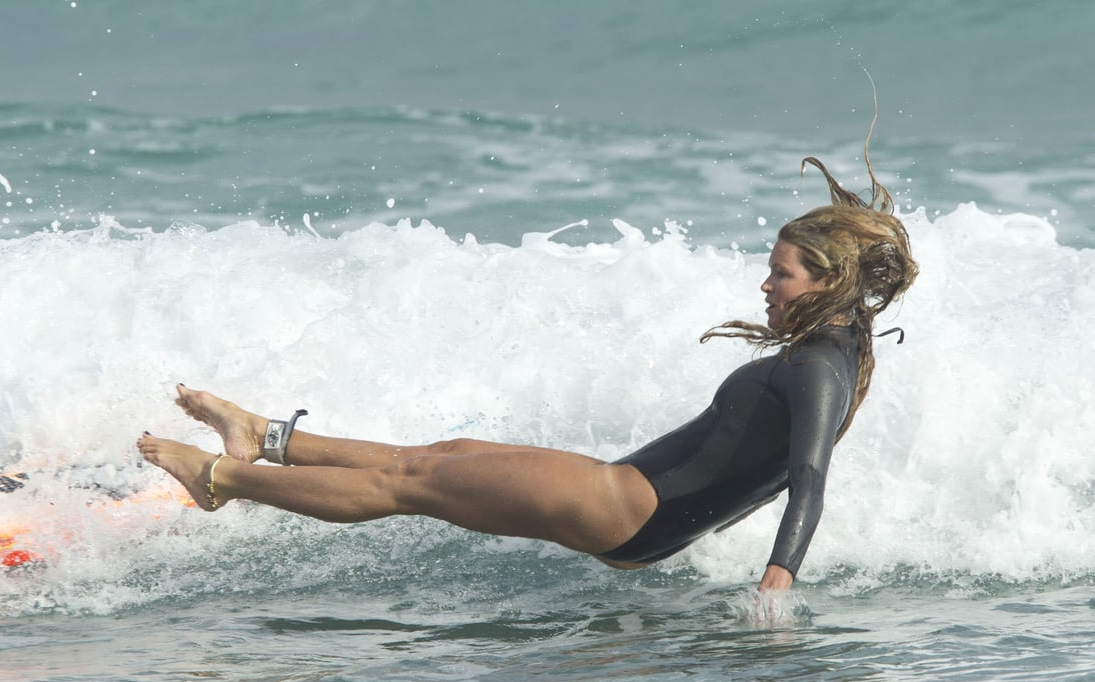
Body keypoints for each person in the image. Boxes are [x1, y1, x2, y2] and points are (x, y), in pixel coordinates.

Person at [137, 154, 918, 593]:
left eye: (779, 274)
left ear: (826, 280)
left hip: (620, 511)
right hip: (624, 504)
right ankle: (260, 436)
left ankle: (221, 479)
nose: (765, 285)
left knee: (409, 485)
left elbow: (808, 476)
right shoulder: (833, 348)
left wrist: (777, 580)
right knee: (445, 452)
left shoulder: (818, 365)